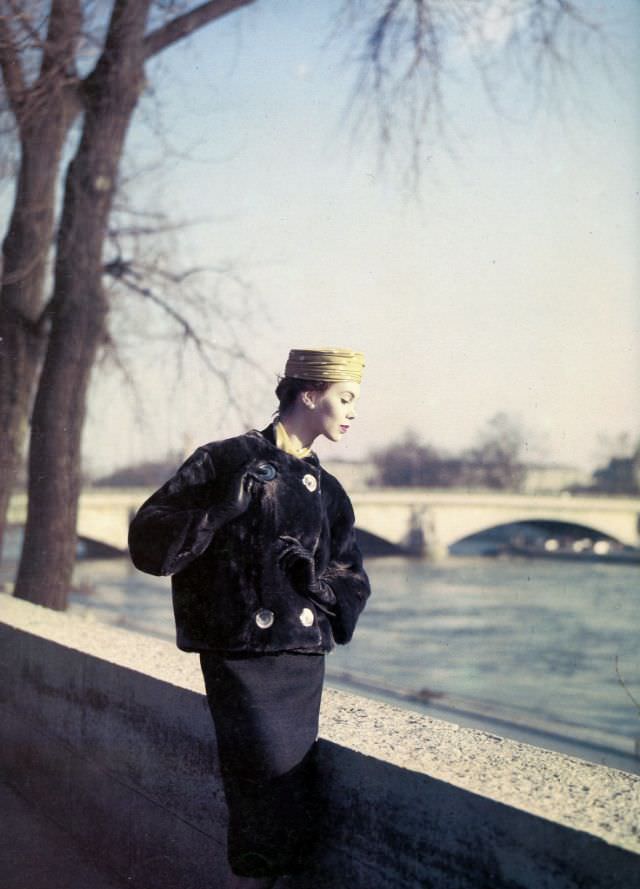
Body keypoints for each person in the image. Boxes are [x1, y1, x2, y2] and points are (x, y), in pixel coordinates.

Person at [128, 347, 371, 888]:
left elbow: (353, 580)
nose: (353, 412)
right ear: (309, 394)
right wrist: (219, 509)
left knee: (286, 796)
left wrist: (319, 586)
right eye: (346, 398)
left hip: (299, 662)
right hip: (239, 657)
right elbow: (148, 541)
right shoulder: (224, 459)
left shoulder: (329, 492)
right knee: (258, 792)